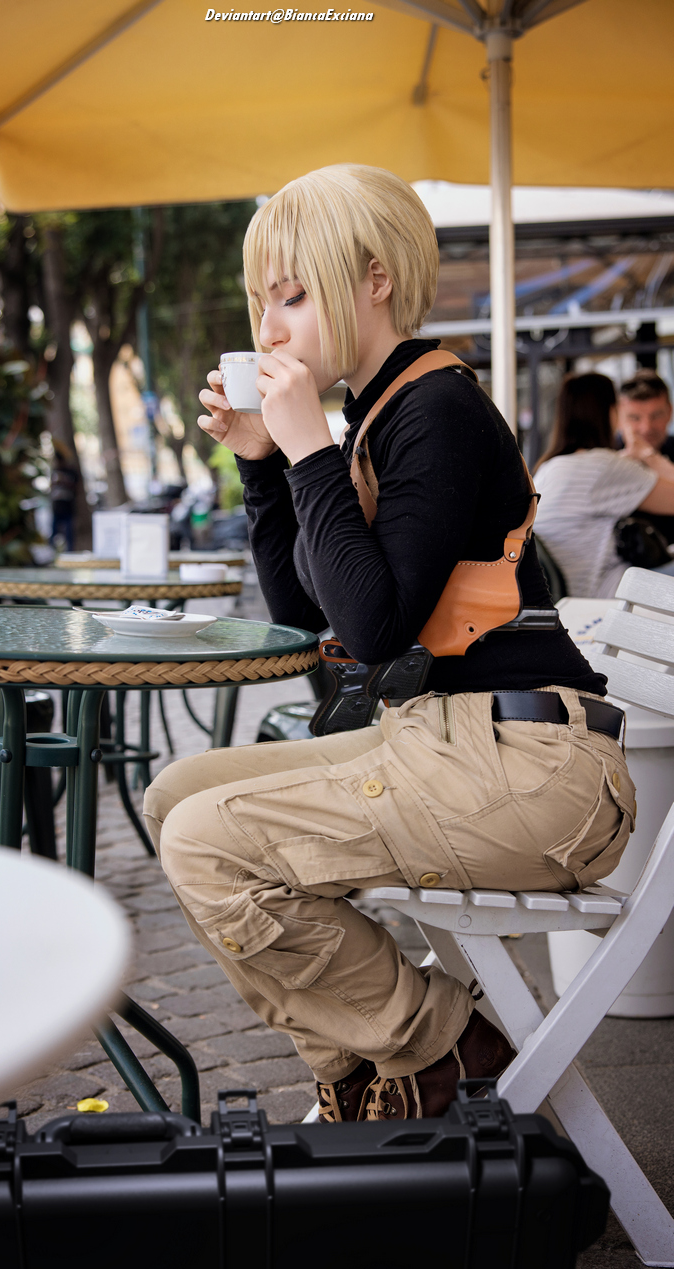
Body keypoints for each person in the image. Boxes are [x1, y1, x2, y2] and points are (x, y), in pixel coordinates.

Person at [143, 165, 635, 1124]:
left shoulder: (436, 407)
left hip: (534, 769)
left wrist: (308, 450)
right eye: (261, 302)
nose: (270, 328)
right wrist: (265, 464)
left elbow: (374, 630)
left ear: (375, 280)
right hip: (450, 743)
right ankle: (373, 1066)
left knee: (207, 842)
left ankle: (437, 1047)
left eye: (293, 295)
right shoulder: (376, 415)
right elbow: (305, 617)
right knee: (174, 799)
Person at [534, 372, 674, 599]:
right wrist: (648, 455)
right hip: (605, 593)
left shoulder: (549, 467)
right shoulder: (603, 466)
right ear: (612, 412)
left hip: (570, 595)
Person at [616, 369, 674, 544]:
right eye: (634, 418)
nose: (646, 427)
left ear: (670, 412)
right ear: (618, 417)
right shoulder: (606, 457)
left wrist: (649, 457)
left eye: (656, 415)